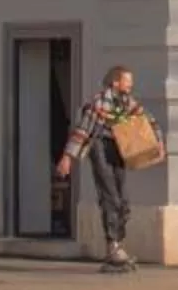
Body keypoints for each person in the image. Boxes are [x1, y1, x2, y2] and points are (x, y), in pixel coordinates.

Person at [55, 64, 149, 272]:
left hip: (118, 150)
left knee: (123, 201)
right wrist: (67, 157)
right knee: (110, 198)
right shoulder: (99, 102)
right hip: (100, 147)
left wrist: (156, 142)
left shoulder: (127, 102)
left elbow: (145, 122)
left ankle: (118, 245)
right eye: (127, 80)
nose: (131, 84)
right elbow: (82, 131)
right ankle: (112, 246)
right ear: (115, 82)